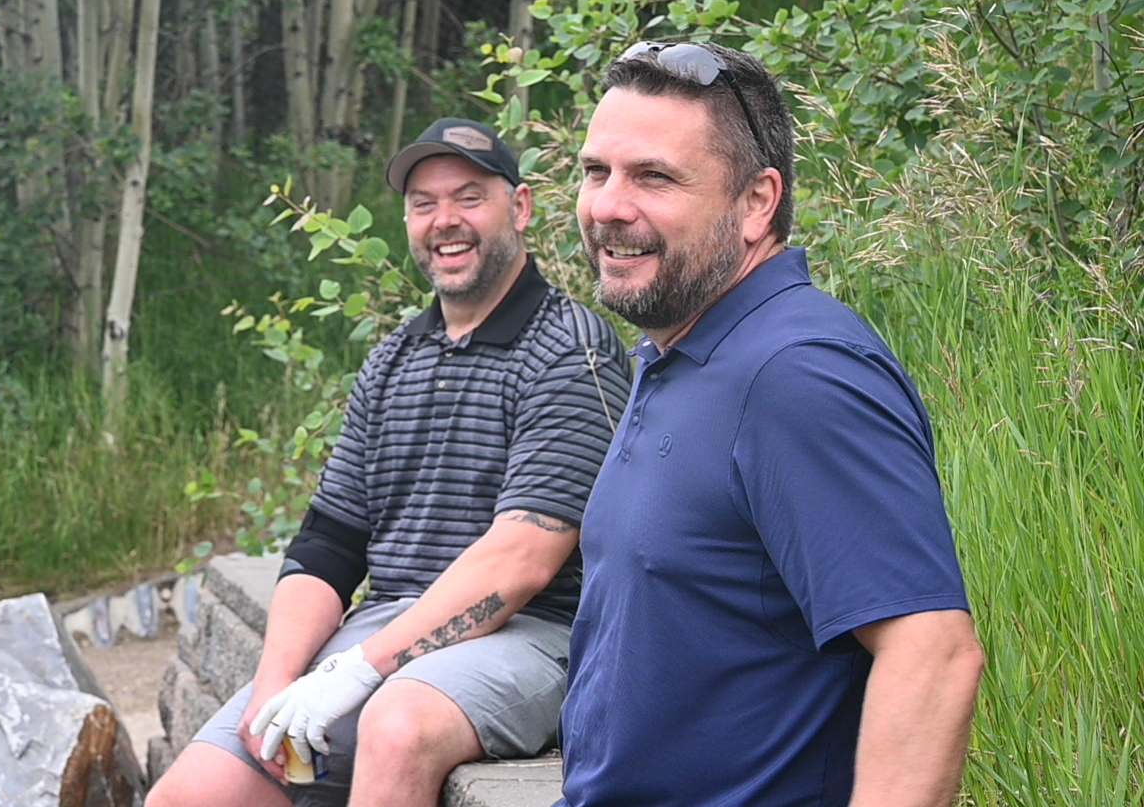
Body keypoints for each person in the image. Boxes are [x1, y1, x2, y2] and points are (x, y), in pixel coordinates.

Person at [148, 118, 631, 807]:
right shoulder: (392, 361)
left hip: (533, 636)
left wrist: (359, 671)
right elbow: (328, 544)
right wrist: (274, 685)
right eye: (424, 203)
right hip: (383, 626)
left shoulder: (570, 350)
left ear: (520, 207)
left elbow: (521, 562)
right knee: (191, 794)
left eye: (469, 197)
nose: (445, 220)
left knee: (397, 725)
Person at [558, 41, 984, 806]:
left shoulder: (798, 373)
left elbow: (932, 654)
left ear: (757, 202)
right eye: (597, 172)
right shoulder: (683, 349)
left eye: (654, 176)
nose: (608, 206)